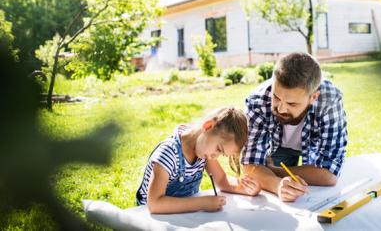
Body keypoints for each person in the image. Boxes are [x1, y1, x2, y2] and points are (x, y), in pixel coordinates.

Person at [241, 52, 348, 202]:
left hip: (312, 149)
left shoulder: (329, 101)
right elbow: (251, 166)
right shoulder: (258, 101)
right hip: (275, 146)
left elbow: (328, 174)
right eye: (276, 97)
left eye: (292, 104)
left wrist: (272, 171)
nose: (281, 109)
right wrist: (278, 185)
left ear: (313, 97)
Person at [136, 107, 261, 214]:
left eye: (221, 154)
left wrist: (244, 188)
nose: (215, 156)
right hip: (151, 218)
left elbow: (222, 180)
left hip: (182, 216)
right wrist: (201, 203)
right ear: (208, 126)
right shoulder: (169, 153)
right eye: (218, 149)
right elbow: (154, 204)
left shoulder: (203, 151)